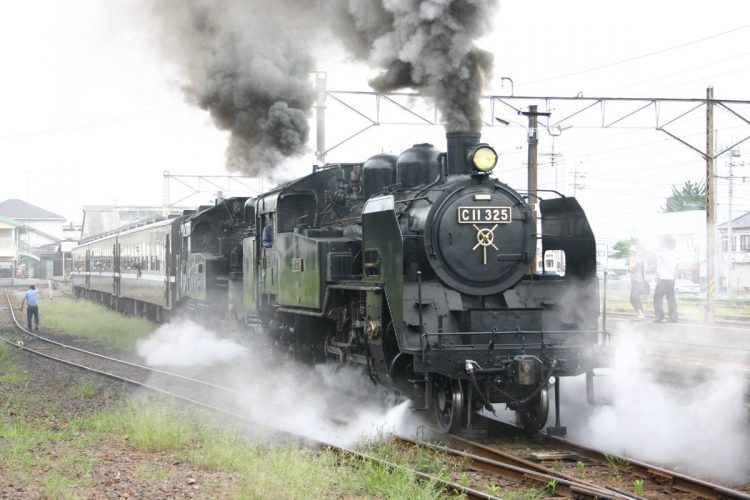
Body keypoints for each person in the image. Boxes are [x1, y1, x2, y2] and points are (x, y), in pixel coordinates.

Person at [653, 236, 678, 323]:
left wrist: (661, 246)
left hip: (662, 279)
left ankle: (660, 317)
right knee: (671, 299)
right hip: (671, 279)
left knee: (657, 299)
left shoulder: (663, 253)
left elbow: (655, 253)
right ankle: (674, 317)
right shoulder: (675, 254)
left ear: (667, 244)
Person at [627, 246, 647, 320]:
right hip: (641, 281)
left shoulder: (634, 259)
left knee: (633, 299)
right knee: (637, 298)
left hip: (636, 281)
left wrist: (630, 264)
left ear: (634, 252)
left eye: (631, 251)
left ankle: (640, 314)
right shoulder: (643, 260)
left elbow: (631, 269)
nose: (630, 253)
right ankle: (642, 313)